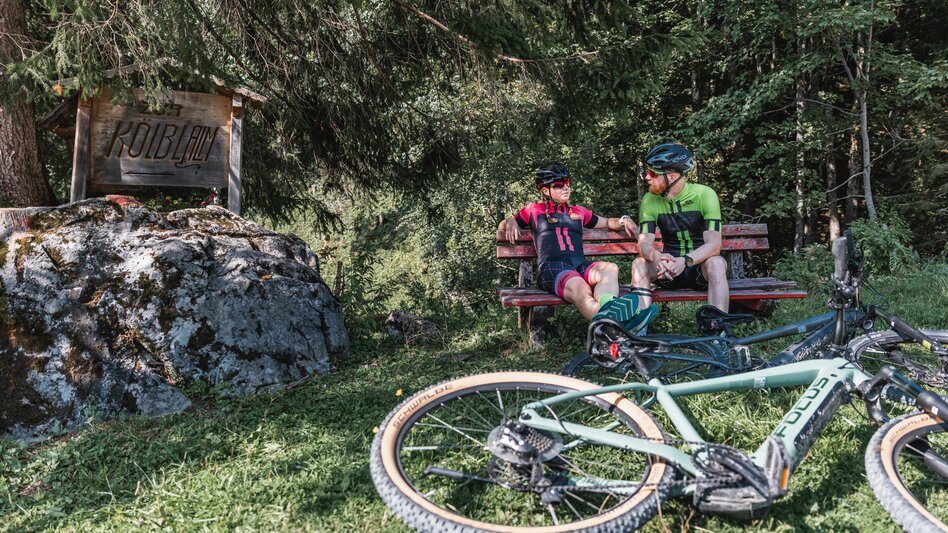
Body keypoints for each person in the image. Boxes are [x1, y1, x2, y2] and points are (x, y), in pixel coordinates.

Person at [499, 163, 655, 332]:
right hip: (552, 268)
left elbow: (607, 222)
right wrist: (510, 220)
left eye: (567, 182)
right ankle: (614, 325)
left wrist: (625, 219)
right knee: (581, 287)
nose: (566, 187)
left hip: (580, 266)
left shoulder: (579, 212)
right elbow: (503, 225)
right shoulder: (533, 210)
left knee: (609, 268)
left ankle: (611, 309)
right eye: (559, 185)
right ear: (545, 191)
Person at [630, 143, 730, 312]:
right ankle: (638, 330)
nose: (647, 177)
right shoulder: (649, 199)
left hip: (699, 268)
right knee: (639, 264)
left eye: (654, 173)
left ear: (672, 176)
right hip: (666, 270)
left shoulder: (705, 195)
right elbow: (643, 244)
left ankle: (717, 331)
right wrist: (656, 257)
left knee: (718, 264)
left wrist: (685, 261)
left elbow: (714, 245)